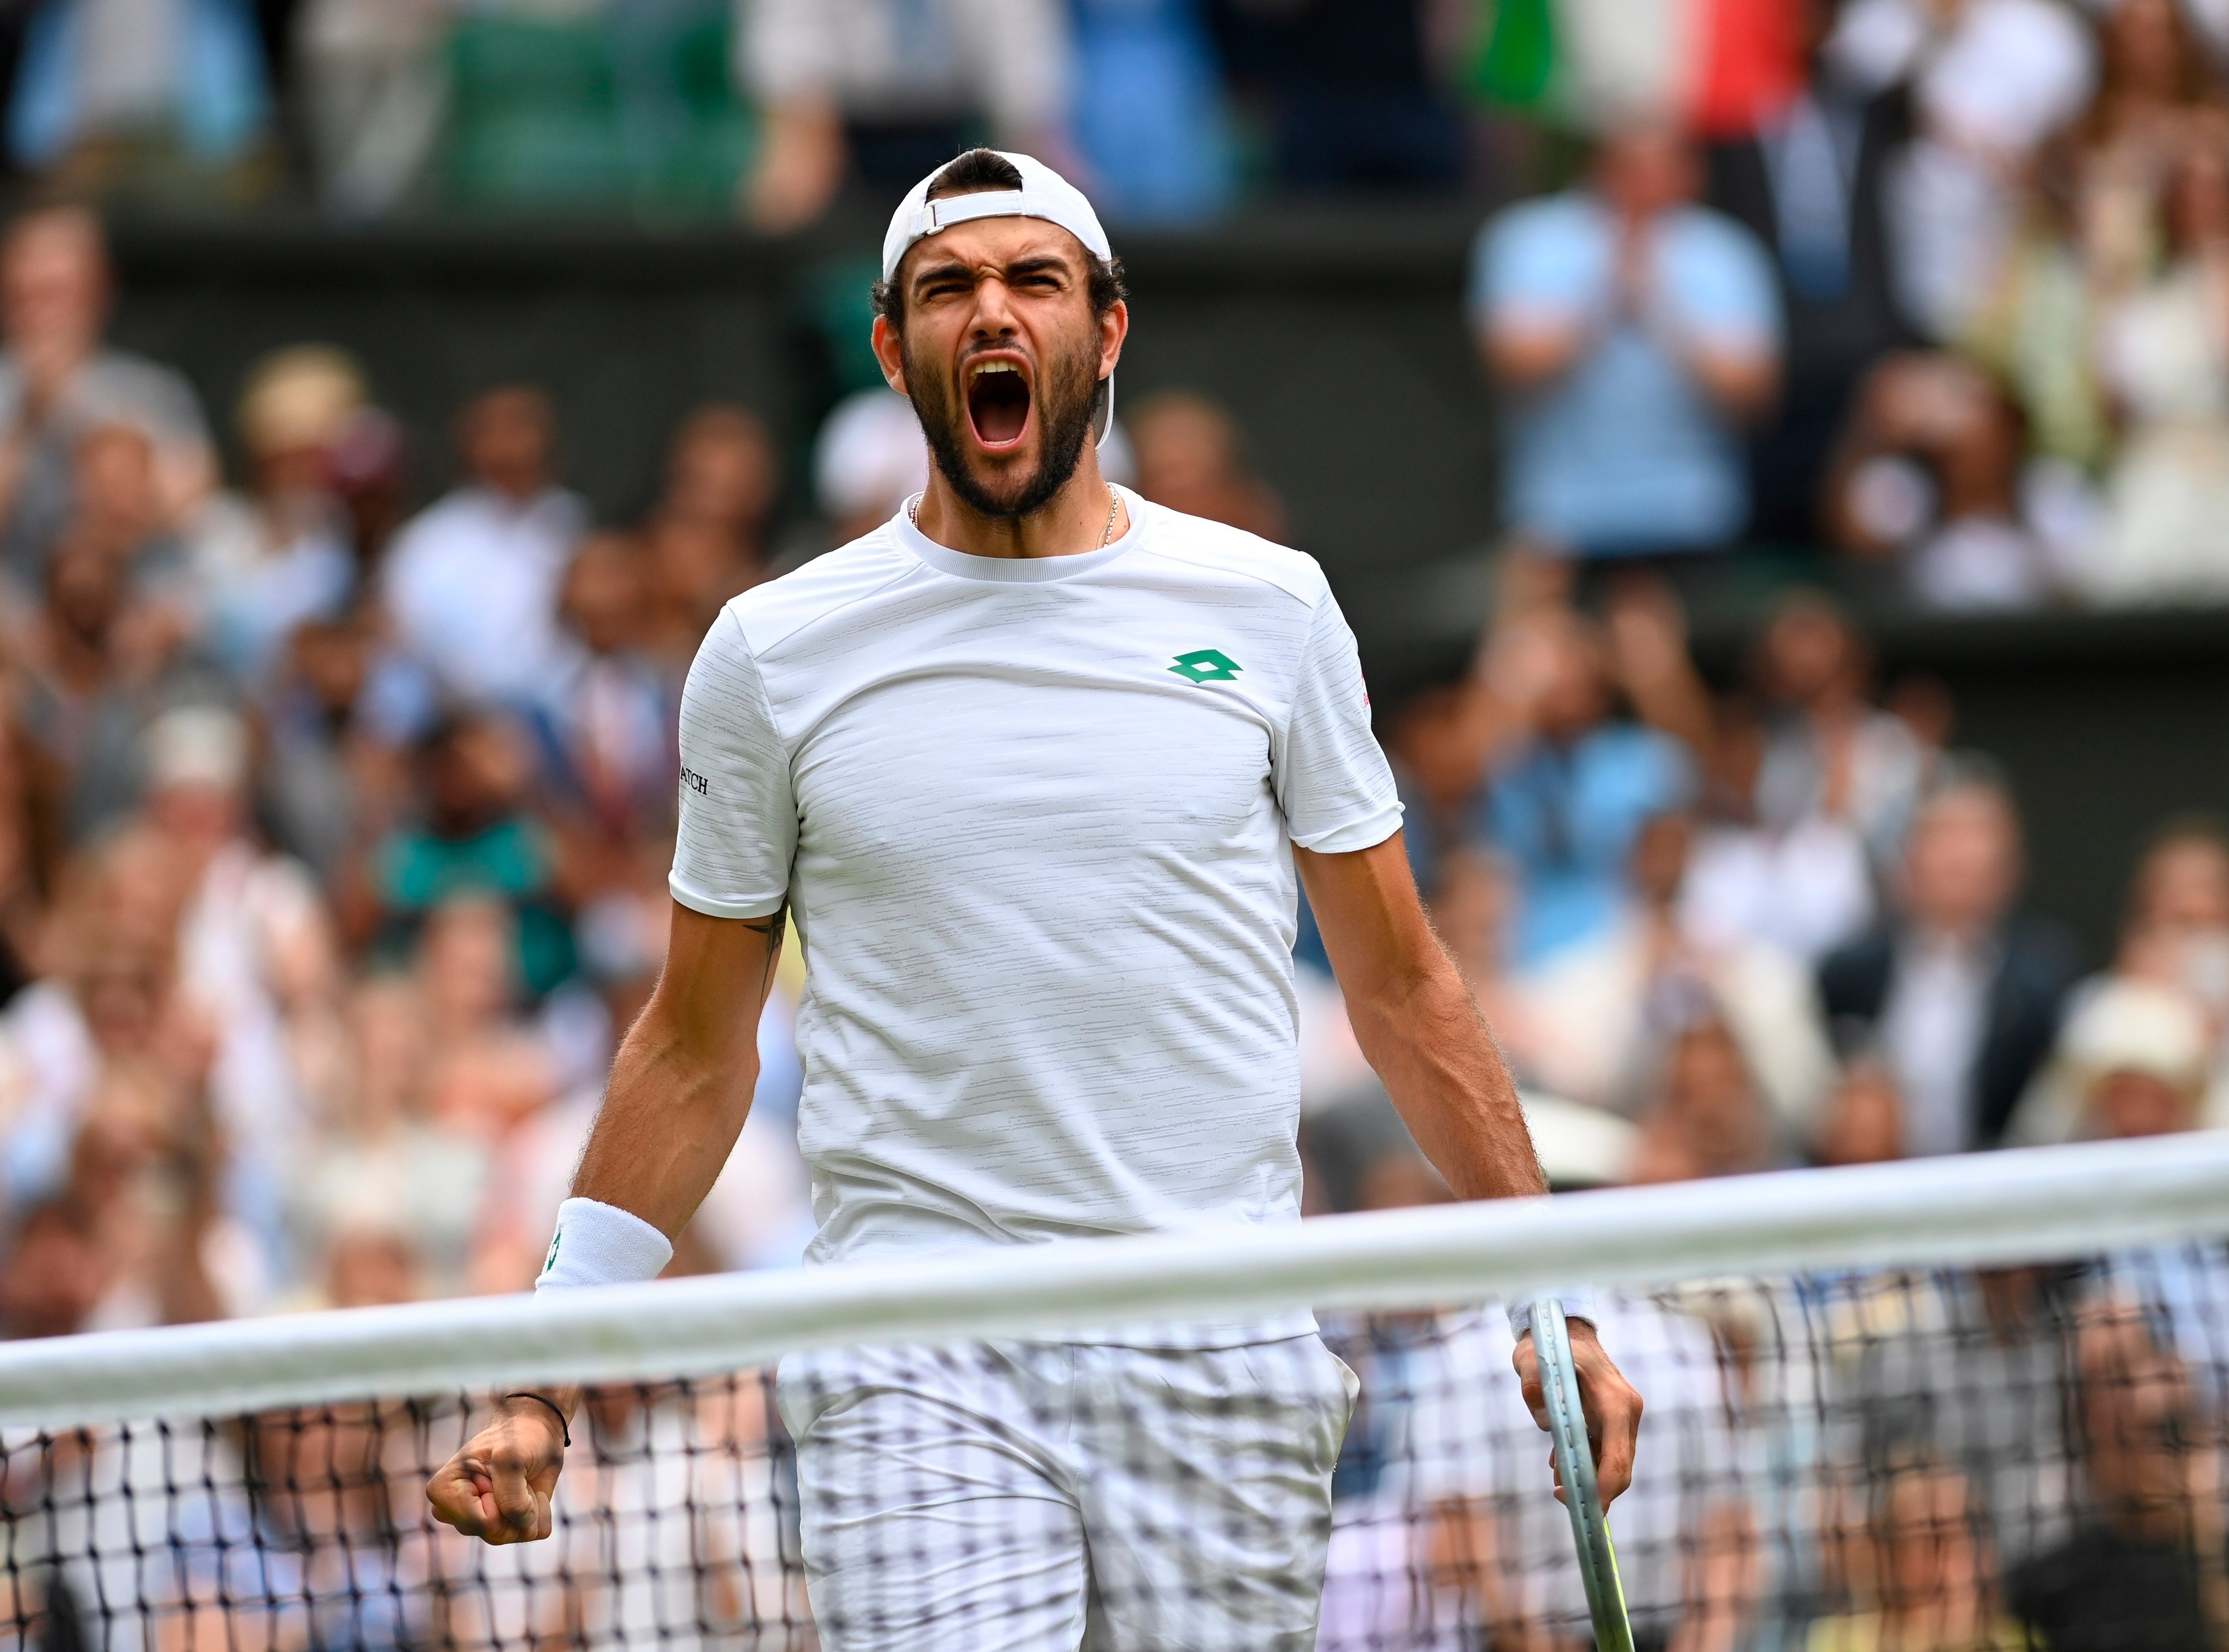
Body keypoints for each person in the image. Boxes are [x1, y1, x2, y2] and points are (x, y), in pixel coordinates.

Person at [425, 147, 1643, 1646]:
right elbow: (690, 1047)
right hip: (915, 1359)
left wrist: (1548, 1298)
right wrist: (544, 1365)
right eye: (946, 288)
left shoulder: (1268, 609)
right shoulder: (770, 652)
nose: (990, 312)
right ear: (891, 347)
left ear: (1106, 329)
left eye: (1031, 281)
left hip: (1221, 1350)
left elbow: (1399, 988)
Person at [1473, 122, 1783, 559]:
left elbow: (1757, 397)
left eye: (1664, 166)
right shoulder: (1527, 240)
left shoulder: (1727, 252)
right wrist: (1604, 301)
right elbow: (1509, 367)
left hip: (1694, 515)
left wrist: (1662, 310)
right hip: (1558, 520)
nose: (1648, 183)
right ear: (1598, 165)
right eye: (1632, 167)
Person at [1818, 764, 2082, 1154]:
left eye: (1976, 838)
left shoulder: (2045, 977)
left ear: (2011, 866)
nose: (1958, 858)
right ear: (1906, 860)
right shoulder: (1850, 972)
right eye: (1942, 836)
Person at [0, 206, 212, 593]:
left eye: (58, 293)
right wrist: (28, 417)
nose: (43, 314)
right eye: (27, 295)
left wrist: (77, 413)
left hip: (132, 601)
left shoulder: (151, 389)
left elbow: (190, 505)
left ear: (100, 291)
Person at [378, 385, 585, 713]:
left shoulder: (572, 521)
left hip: (569, 719)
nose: (514, 448)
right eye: (497, 433)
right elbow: (408, 650)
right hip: (464, 722)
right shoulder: (427, 545)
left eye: (524, 429)